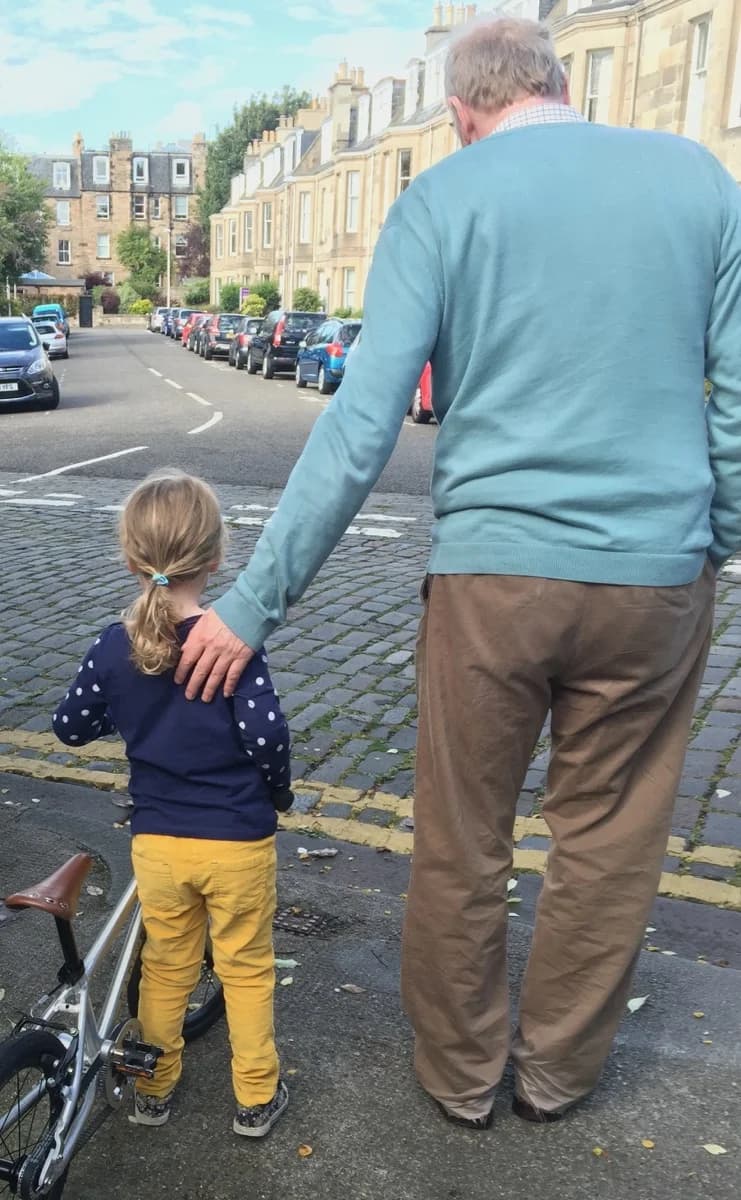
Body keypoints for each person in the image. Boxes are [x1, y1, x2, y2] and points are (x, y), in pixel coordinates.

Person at [175, 16, 741, 1128]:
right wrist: (710, 536)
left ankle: (463, 1081)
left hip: (491, 576)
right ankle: (558, 1078)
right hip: (655, 577)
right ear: (564, 85)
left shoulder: (442, 200)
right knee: (610, 846)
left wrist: (253, 604)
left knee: (463, 841)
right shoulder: (700, 180)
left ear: (462, 114)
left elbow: (362, 428)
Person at [52, 469, 292, 1136]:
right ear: (215, 558)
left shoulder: (113, 645)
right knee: (245, 969)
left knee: (164, 967)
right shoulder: (231, 644)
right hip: (238, 842)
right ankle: (254, 1099)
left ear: (131, 558)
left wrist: (128, 713)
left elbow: (70, 726)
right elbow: (266, 736)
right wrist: (279, 792)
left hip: (158, 843)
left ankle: (153, 1090)